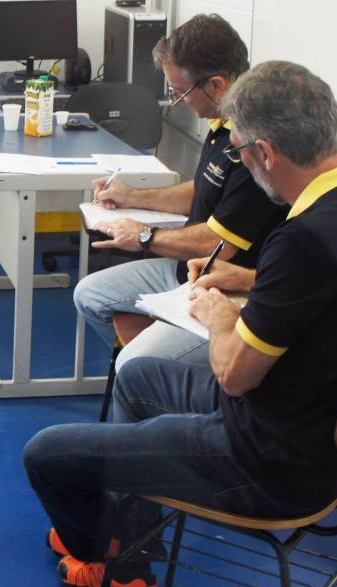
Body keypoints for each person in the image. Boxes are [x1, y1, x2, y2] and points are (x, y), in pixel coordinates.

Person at [24, 60, 337, 587]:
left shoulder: (302, 238)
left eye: (239, 150)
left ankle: (113, 564)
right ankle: (129, 546)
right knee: (136, 375)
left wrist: (218, 315)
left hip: (265, 463)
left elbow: (233, 374)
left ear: (265, 153)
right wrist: (253, 280)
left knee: (47, 457)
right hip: (326, 447)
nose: (238, 158)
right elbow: (332, 290)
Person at [73, 14, 288, 374]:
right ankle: (155, 377)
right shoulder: (222, 125)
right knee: (89, 295)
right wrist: (131, 196)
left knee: (133, 365)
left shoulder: (250, 145)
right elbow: (203, 188)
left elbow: (218, 245)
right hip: (184, 271)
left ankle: (156, 377)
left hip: (220, 287)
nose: (178, 100)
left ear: (217, 85)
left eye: (180, 92)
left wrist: (144, 236)